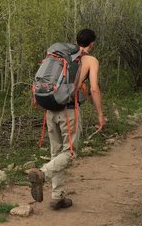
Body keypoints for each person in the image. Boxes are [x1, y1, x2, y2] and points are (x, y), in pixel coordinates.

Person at [28, 29, 106, 209]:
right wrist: (100, 115)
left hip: (50, 109)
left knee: (56, 154)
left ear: (76, 41)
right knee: (70, 153)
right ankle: (42, 174)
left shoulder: (60, 57)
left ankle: (57, 197)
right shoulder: (90, 60)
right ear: (92, 43)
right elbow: (94, 89)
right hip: (69, 111)